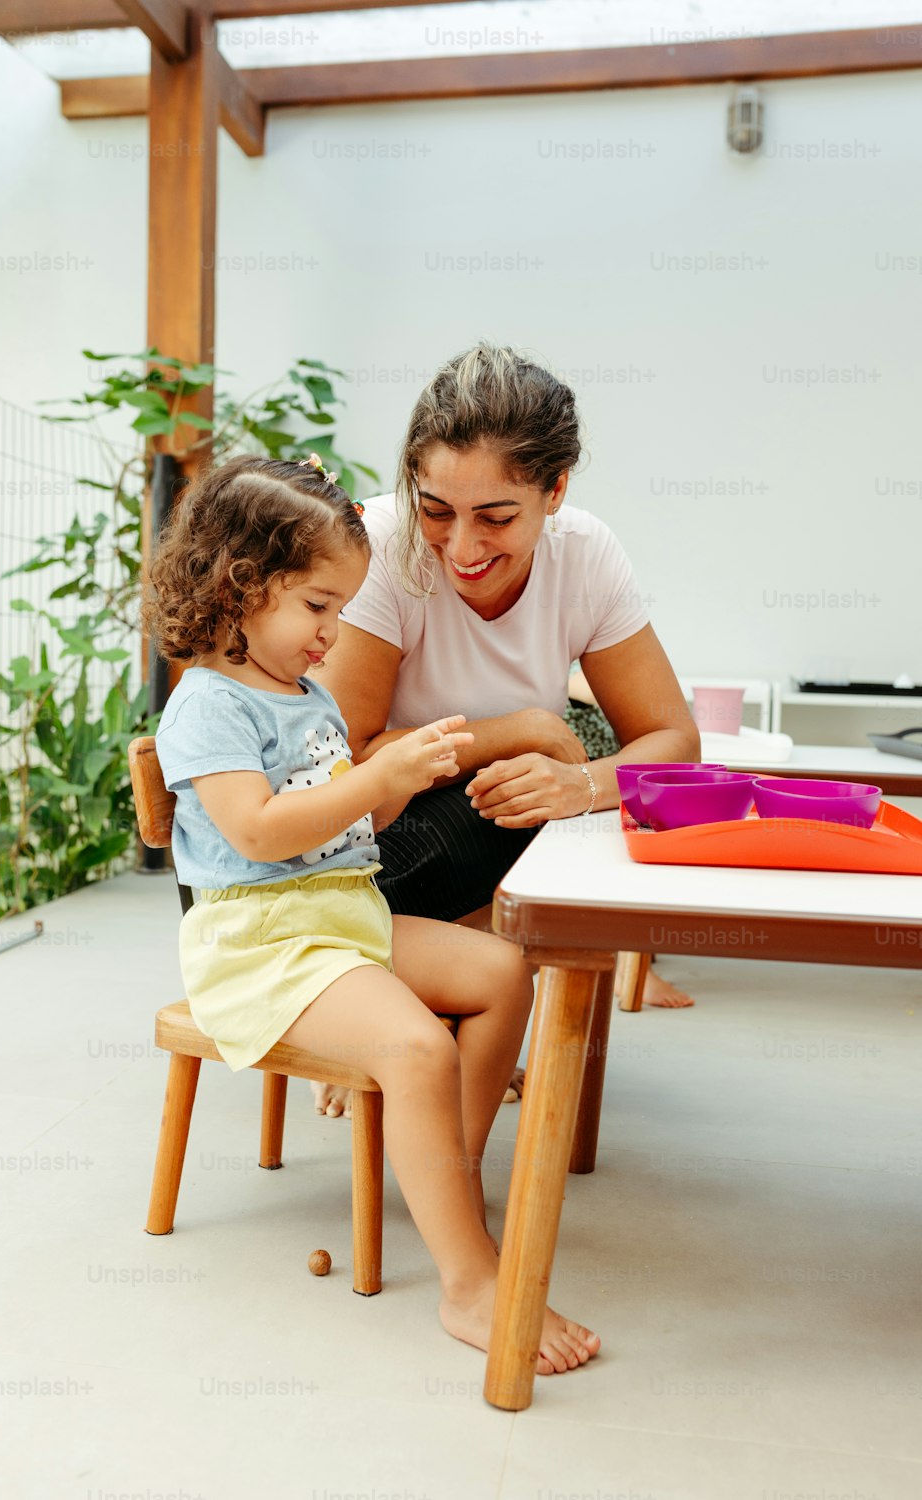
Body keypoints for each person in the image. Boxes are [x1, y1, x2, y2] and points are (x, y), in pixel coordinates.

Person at [144, 452, 600, 1376]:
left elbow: (356, 816)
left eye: (341, 609)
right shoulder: (207, 705)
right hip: (263, 943)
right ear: (240, 586)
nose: (333, 632)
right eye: (318, 607)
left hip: (339, 919)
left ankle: (445, 1173)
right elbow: (262, 833)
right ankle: (469, 1284)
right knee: (418, 1046)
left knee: (504, 968)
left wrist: (402, 778)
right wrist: (373, 778)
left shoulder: (304, 694)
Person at [311, 343, 700, 1114]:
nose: (462, 548)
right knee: (497, 819)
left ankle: (446, 1021)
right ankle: (387, 1019)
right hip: (363, 851)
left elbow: (675, 745)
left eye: (496, 517)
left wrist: (578, 782)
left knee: (548, 826)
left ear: (555, 491)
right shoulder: (379, 546)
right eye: (437, 511)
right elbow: (342, 771)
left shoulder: (585, 555)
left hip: (478, 829)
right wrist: (518, 730)